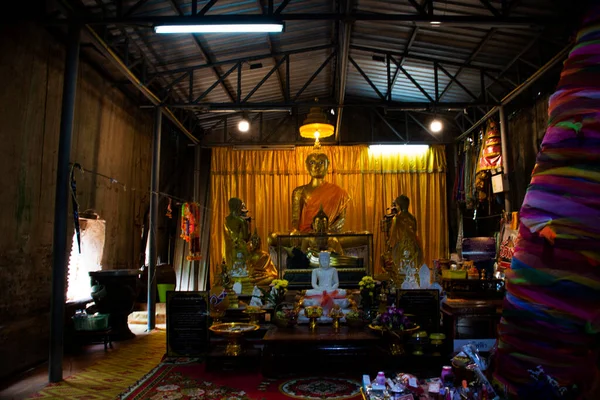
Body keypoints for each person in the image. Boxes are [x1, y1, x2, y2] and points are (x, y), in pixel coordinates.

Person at [291, 152, 350, 233]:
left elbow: (341, 219)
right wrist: (297, 233)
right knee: (273, 237)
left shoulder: (339, 192)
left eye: (321, 162)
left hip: (329, 235)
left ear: (328, 165)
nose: (317, 166)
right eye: (312, 162)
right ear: (306, 166)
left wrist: (326, 231)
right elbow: (295, 220)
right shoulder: (299, 191)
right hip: (306, 235)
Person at [388, 195, 423, 269]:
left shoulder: (396, 218)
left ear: (399, 205)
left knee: (400, 269)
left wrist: (390, 245)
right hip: (413, 246)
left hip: (401, 247)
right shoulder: (412, 218)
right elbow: (414, 231)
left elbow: (393, 234)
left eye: (397, 205)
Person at [224, 197, 250, 267]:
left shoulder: (225, 220)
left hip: (229, 247)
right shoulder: (241, 221)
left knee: (230, 266)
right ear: (237, 207)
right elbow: (245, 237)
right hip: (239, 248)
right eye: (240, 207)